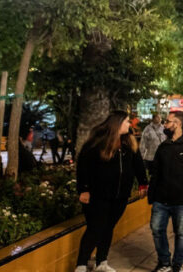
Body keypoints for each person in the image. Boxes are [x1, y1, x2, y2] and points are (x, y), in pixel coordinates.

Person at [75, 111, 148, 272]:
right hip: (98, 196)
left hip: (120, 196)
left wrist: (143, 183)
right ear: (117, 123)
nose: (130, 124)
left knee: (108, 228)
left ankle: (102, 262)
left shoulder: (129, 143)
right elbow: (83, 168)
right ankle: (81, 264)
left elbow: (138, 164)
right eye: (127, 121)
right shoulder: (96, 143)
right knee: (95, 228)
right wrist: (84, 189)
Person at [148, 110, 183, 272]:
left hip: (181, 199)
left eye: (167, 121)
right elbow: (156, 172)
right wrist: (152, 193)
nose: (165, 124)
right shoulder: (164, 145)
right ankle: (164, 262)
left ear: (177, 124)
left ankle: (177, 265)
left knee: (181, 233)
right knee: (157, 229)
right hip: (161, 198)